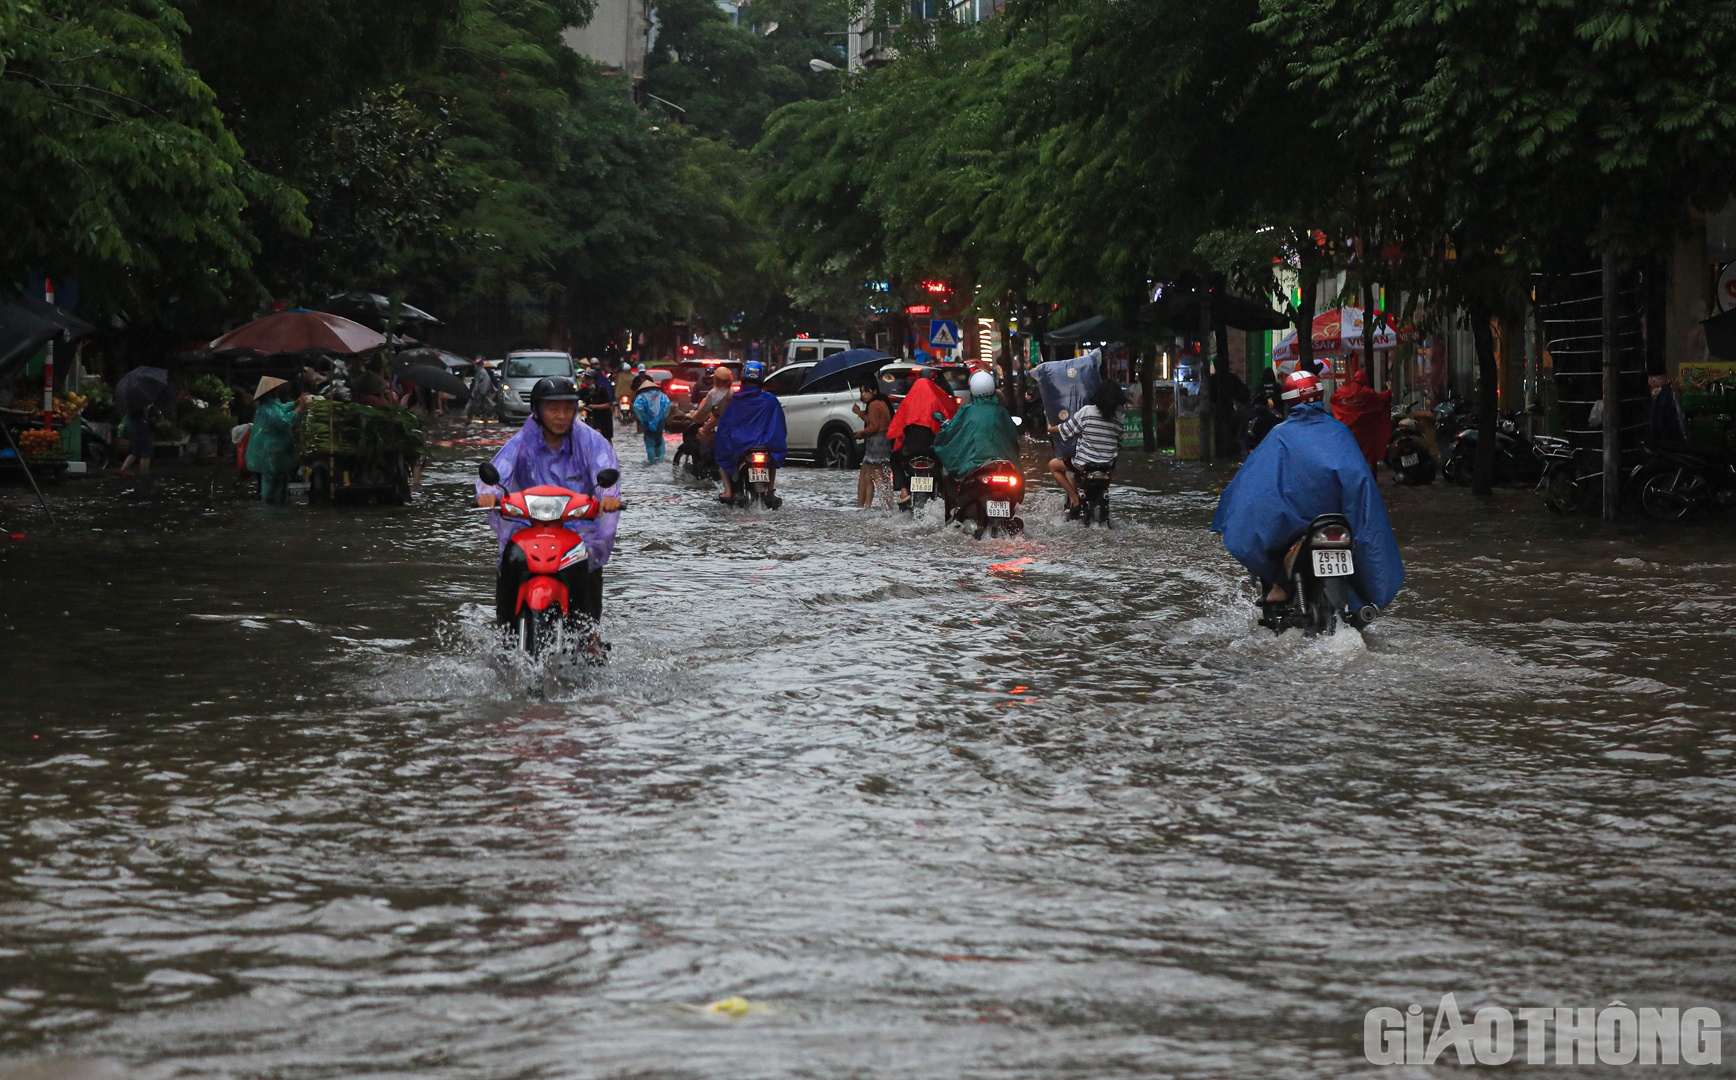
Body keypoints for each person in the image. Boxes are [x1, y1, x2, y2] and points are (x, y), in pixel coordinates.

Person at [1211, 369, 1403, 612]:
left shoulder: (1280, 436)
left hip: (1296, 527)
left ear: (1288, 401)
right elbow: (1361, 486)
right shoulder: (1340, 432)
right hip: (1339, 522)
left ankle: (1279, 587)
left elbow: (1254, 485)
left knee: (1268, 531)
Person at [476, 376, 622, 630]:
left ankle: (590, 634)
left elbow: (604, 468)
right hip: (527, 527)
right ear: (537, 410)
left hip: (578, 529)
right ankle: (504, 627)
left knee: (585, 564)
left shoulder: (590, 440)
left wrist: (608, 497)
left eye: (568, 408)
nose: (561, 416)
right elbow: (501, 468)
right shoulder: (523, 441)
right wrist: (489, 492)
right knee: (511, 559)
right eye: (553, 408)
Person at [1047, 380, 1125, 518]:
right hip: (1107, 466)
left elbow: (1067, 429)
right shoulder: (1119, 417)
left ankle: (1075, 499)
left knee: (1053, 466)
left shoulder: (1087, 411)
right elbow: (1119, 441)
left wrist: (1049, 427)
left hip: (1083, 463)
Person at [712, 360, 787, 505]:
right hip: (765, 444)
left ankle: (728, 491)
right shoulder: (770, 400)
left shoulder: (735, 399)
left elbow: (726, 425)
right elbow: (779, 425)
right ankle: (770, 491)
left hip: (740, 444)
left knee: (721, 455)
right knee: (772, 460)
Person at [886, 367, 959, 511]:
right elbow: (950, 420)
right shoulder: (937, 398)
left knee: (894, 458)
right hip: (932, 450)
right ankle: (948, 500)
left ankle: (904, 491)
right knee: (948, 467)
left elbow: (897, 425)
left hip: (910, 450)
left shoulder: (909, 400)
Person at [934, 371, 1022, 483]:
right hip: (1002, 466)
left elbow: (951, 432)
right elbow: (1012, 438)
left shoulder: (967, 411)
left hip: (971, 466)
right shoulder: (1001, 412)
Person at [246, 376, 310, 504]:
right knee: (273, 481)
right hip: (274, 451)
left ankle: (279, 503)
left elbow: (282, 409)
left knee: (280, 480)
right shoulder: (268, 409)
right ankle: (271, 506)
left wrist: (295, 403)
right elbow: (284, 421)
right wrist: (299, 408)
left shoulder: (272, 404)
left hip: (279, 450)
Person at [1329, 368, 1392, 471]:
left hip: (1347, 431)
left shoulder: (1344, 391)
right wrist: (1389, 389)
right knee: (1367, 457)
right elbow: (1382, 398)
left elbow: (1333, 398)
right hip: (1364, 433)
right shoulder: (1367, 393)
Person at [852, 376, 894, 508]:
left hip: (876, 445)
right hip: (882, 444)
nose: (863, 394)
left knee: (875, 475)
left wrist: (862, 433)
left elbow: (874, 426)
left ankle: (883, 506)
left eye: (866, 391)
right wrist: (859, 413)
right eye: (861, 391)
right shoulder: (881, 402)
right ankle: (867, 506)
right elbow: (872, 420)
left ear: (874, 391)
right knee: (869, 475)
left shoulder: (874, 404)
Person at [632, 376, 672, 463]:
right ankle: (660, 459)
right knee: (659, 439)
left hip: (646, 422)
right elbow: (667, 405)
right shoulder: (662, 395)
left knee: (649, 441)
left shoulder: (641, 396)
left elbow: (637, 407)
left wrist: (645, 418)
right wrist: (661, 416)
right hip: (660, 421)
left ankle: (652, 461)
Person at [579, 368, 615, 441]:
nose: (587, 381)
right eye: (586, 379)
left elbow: (608, 405)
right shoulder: (584, 391)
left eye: (589, 379)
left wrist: (594, 406)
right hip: (592, 417)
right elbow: (575, 398)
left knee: (607, 439)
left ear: (594, 380)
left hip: (604, 417)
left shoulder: (601, 390)